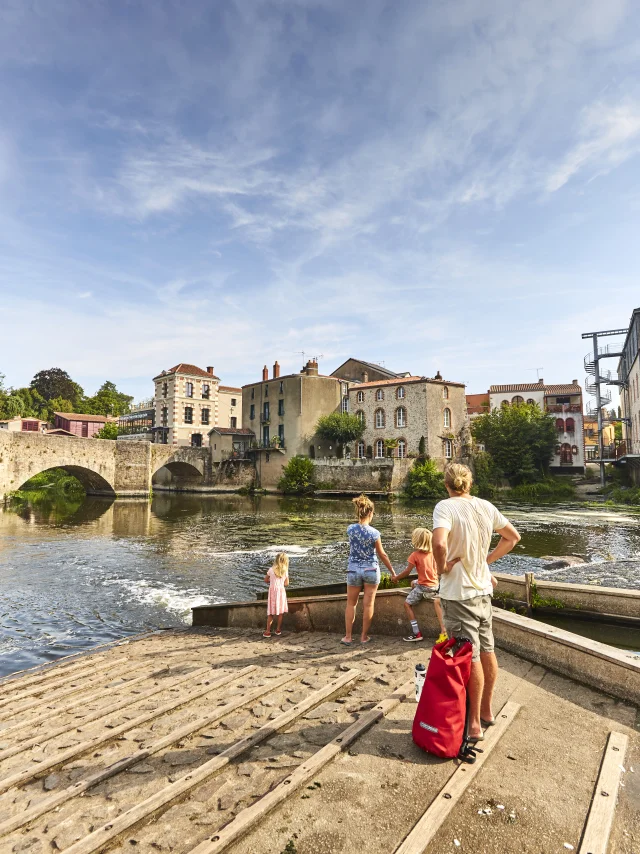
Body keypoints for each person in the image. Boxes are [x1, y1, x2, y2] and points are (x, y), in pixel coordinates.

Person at [432, 463, 520, 742]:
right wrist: (485, 561)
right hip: (483, 591)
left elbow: (438, 544)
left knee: (467, 657)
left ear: (447, 485)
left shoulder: (445, 507)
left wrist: (442, 567)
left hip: (459, 595)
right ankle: (486, 712)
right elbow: (512, 537)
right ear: (469, 484)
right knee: (487, 650)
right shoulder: (485, 506)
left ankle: (472, 724)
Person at [342, 494, 394, 645]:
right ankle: (364, 637)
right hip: (370, 569)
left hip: (353, 570)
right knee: (368, 605)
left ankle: (348, 637)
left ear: (358, 512)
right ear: (370, 513)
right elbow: (382, 554)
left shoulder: (350, 529)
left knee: (351, 604)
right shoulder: (374, 533)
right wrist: (392, 572)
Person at [390, 527, 449, 643]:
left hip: (425, 588)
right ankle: (416, 586)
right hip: (435, 585)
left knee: (407, 604)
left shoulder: (415, 555)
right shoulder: (434, 553)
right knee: (413, 582)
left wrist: (396, 578)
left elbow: (407, 572)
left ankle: (416, 633)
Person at [263, 552, 289, 638]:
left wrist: (272, 580)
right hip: (281, 592)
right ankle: (278, 630)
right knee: (280, 612)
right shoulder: (285, 571)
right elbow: (286, 583)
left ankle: (268, 631)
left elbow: (266, 580)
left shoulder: (271, 570)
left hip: (273, 592)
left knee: (271, 613)